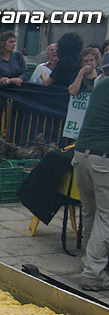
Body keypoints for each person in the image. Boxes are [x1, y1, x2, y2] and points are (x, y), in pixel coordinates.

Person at [71, 76, 109, 291]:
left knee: (90, 213)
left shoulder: (102, 83)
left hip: (81, 155)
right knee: (106, 217)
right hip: (103, 159)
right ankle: (93, 273)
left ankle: (89, 261)